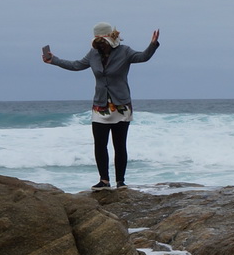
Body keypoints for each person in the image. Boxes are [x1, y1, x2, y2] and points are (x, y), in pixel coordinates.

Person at [42, 23, 160, 189]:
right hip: (100, 106)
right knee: (100, 144)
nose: (100, 43)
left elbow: (143, 57)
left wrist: (153, 44)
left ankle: (120, 181)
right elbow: (76, 65)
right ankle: (104, 180)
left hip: (121, 105)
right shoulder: (93, 53)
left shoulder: (125, 51)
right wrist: (53, 60)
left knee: (119, 145)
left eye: (103, 40)